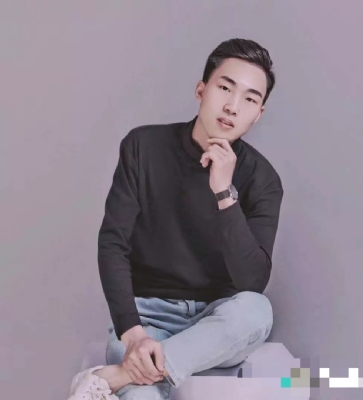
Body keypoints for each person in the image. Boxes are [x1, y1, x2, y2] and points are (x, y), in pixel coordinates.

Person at [68, 38, 283, 400]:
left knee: (257, 311)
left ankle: (115, 377)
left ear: (258, 114)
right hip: (148, 317)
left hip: (217, 320)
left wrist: (224, 192)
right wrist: (133, 333)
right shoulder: (143, 147)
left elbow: (252, 283)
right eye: (225, 88)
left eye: (249, 99)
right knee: (141, 396)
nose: (232, 106)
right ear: (201, 90)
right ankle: (135, 372)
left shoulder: (263, 179)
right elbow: (113, 243)